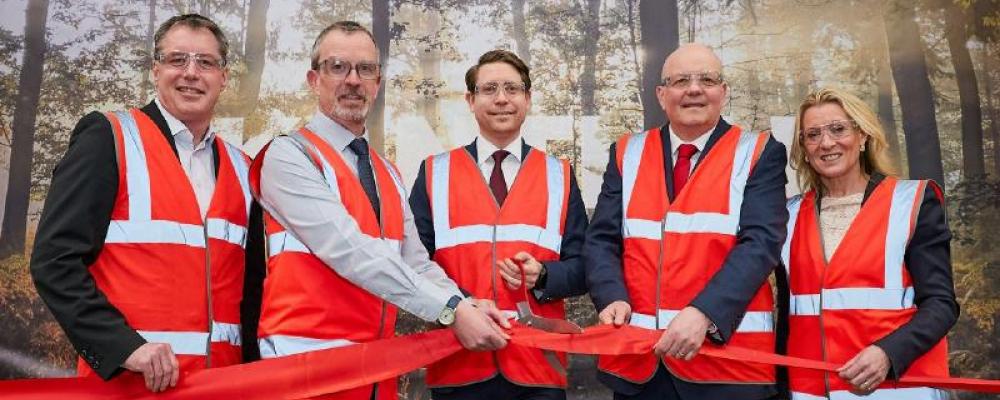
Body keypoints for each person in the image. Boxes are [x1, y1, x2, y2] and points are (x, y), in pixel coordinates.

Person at [249, 21, 510, 400]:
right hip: (305, 371)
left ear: (378, 81)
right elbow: (351, 251)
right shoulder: (289, 155)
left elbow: (416, 262)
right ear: (313, 78)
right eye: (337, 67)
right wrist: (451, 309)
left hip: (373, 372)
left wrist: (465, 302)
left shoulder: (384, 170)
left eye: (365, 69)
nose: (352, 80)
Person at [29, 14, 265, 393]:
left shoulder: (243, 168)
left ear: (224, 77)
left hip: (222, 387)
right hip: (131, 387)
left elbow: (254, 288)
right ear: (156, 70)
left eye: (205, 62)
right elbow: (54, 262)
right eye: (177, 60)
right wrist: (123, 347)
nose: (191, 73)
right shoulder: (109, 138)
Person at [584, 43, 788, 400]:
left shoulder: (759, 152)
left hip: (726, 367)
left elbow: (761, 243)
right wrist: (610, 296)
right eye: (681, 80)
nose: (694, 89)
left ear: (723, 92)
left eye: (707, 79)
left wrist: (705, 314)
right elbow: (601, 240)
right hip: (640, 366)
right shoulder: (625, 153)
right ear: (662, 95)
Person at [408, 49, 589, 400]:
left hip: (538, 367)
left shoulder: (560, 175)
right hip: (459, 362)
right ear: (471, 100)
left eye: (512, 88)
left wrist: (545, 277)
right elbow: (413, 263)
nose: (502, 99)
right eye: (489, 89)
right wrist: (459, 309)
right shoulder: (434, 173)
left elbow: (585, 267)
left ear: (528, 99)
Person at [781, 87, 958, 399]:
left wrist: (888, 353)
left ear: (862, 137)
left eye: (838, 129)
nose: (826, 143)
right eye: (812, 135)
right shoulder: (787, 216)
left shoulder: (911, 202)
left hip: (896, 389)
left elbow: (940, 305)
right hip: (811, 392)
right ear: (803, 148)